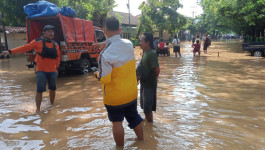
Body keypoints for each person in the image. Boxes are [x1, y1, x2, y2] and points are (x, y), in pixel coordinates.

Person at [94, 16, 143, 146]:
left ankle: (120, 148)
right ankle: (142, 142)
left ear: (104, 31)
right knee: (134, 117)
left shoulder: (104, 55)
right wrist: (104, 44)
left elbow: (105, 79)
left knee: (117, 123)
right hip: (131, 92)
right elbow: (116, 43)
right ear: (120, 29)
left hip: (115, 97)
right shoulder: (129, 44)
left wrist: (96, 74)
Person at [1, 25, 60, 112]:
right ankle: (38, 110)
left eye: (52, 31)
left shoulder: (56, 44)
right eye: (49, 31)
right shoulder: (37, 42)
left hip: (52, 71)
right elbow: (25, 47)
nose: (51, 33)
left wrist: (57, 68)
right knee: (40, 90)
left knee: (53, 89)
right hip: (41, 71)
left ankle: (52, 106)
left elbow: (58, 57)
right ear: (44, 33)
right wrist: (10, 51)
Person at [138, 32, 160, 122]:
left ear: (147, 43)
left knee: (148, 109)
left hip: (149, 86)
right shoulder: (145, 53)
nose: (140, 43)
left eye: (141, 41)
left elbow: (157, 70)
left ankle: (150, 125)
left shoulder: (151, 54)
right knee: (144, 107)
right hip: (144, 84)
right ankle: (148, 125)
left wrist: (151, 78)